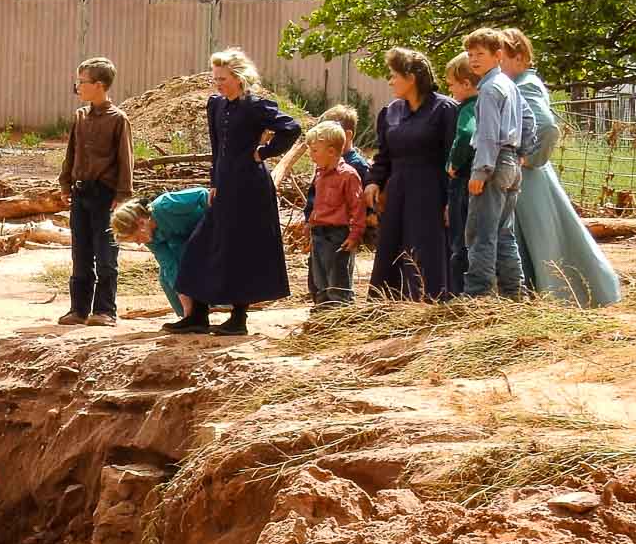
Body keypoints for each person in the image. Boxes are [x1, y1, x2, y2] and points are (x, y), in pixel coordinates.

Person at [168, 48, 301, 336]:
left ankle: (238, 319)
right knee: (199, 247)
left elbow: (291, 128)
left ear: (239, 78)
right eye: (215, 78)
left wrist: (263, 152)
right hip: (225, 186)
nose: (218, 83)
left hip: (250, 189)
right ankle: (198, 316)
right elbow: (217, 149)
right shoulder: (216, 104)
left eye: (223, 78)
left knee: (241, 249)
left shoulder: (255, 105)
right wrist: (214, 182)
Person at [501, 28, 621, 307]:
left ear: (519, 57)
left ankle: (562, 296)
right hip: (528, 176)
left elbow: (547, 128)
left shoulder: (525, 85)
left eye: (501, 57)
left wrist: (530, 159)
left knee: (545, 239)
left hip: (529, 179)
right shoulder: (517, 84)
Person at [364, 48, 457, 300]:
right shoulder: (391, 111)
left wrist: (450, 200)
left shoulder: (445, 109)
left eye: (394, 75)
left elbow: (453, 158)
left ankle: (431, 302)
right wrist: (374, 182)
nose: (390, 81)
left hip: (429, 190)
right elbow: (384, 155)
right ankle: (386, 306)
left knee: (427, 248)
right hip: (397, 191)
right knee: (391, 247)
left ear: (412, 77)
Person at [56, 55, 135, 327]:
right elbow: (72, 153)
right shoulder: (80, 117)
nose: (78, 87)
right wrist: (65, 183)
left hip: (105, 195)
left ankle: (105, 310)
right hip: (80, 193)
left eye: (82, 82)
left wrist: (123, 196)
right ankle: (78, 309)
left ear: (99, 85)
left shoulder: (118, 120)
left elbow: (126, 160)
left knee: (105, 254)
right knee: (80, 252)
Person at [459, 27, 527, 298]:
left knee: (480, 232)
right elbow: (528, 120)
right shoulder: (510, 84)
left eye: (480, 54)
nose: (474, 59)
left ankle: (478, 293)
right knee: (504, 232)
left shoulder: (488, 88)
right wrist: (522, 154)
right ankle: (514, 292)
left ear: (498, 55)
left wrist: (480, 170)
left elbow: (488, 133)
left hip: (494, 162)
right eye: (470, 54)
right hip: (512, 162)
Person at [112, 189, 207, 317]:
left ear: (141, 222)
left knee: (188, 263)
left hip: (209, 229)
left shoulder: (165, 205)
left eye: (137, 238)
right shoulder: (150, 238)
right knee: (165, 277)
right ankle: (189, 317)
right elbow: (169, 266)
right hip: (188, 242)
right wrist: (187, 309)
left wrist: (220, 223)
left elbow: (202, 194)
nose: (139, 243)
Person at [300, 120, 365, 307]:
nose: (311, 156)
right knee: (317, 276)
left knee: (338, 275)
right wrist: (309, 223)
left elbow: (357, 207)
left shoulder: (348, 175)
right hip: (319, 232)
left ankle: (339, 312)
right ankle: (322, 308)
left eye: (315, 151)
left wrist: (355, 235)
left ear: (331, 151)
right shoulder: (320, 174)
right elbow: (316, 203)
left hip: (338, 234)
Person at [444, 53, 480, 288]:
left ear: (466, 84)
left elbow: (467, 135)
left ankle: (458, 293)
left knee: (460, 241)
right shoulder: (487, 103)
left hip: (463, 180)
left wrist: (453, 164)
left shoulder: (467, 108)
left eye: (451, 86)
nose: (450, 92)